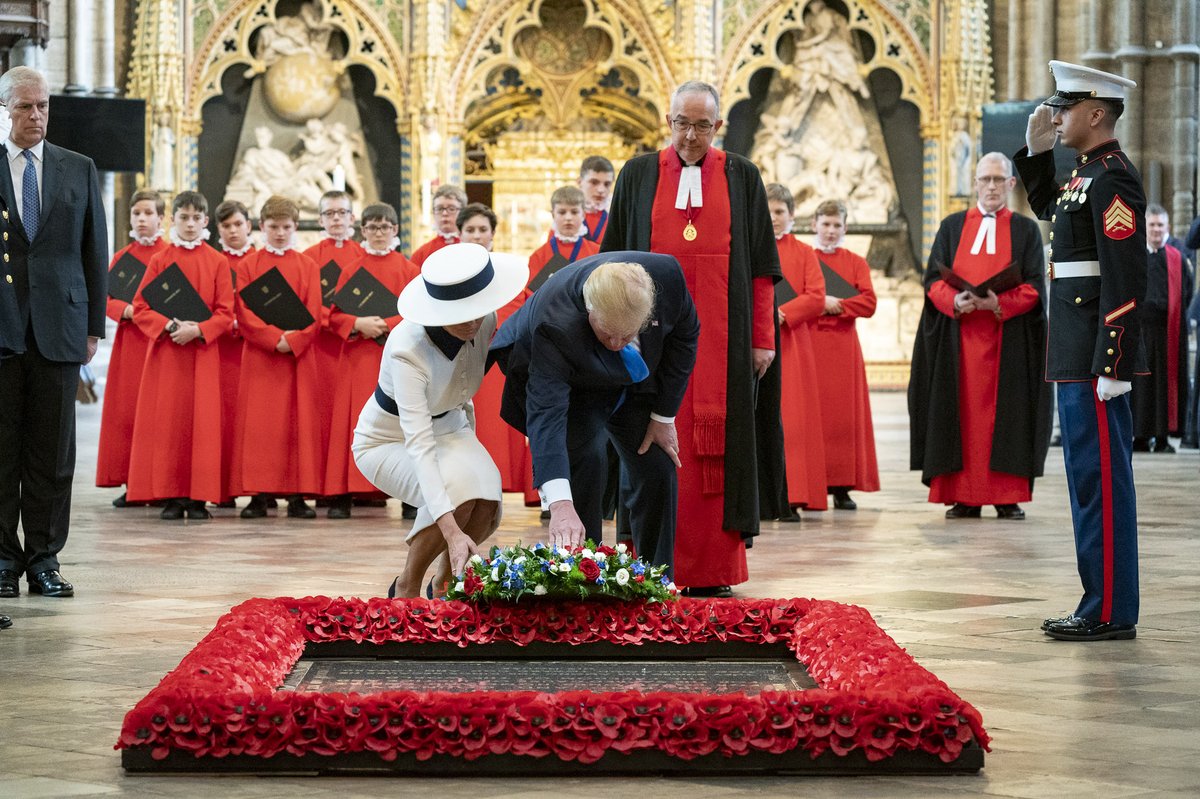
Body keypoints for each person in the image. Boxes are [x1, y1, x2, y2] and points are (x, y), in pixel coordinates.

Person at [600, 80, 779, 596]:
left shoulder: (742, 175)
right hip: (647, 345)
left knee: (716, 453)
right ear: (668, 120)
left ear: (717, 127)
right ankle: (646, 564)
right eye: (683, 123)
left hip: (724, 346)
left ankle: (712, 571)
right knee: (645, 442)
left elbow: (763, 268)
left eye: (703, 125)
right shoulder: (637, 174)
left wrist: (761, 337)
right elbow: (611, 260)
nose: (691, 135)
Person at [1016, 60, 1145, 641]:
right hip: (1074, 351)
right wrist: (1038, 153)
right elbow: (1052, 213)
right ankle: (1098, 601)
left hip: (1095, 355)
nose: (1055, 116)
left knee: (1102, 483)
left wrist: (1113, 362)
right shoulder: (1084, 174)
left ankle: (1110, 609)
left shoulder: (1114, 176)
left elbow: (1125, 276)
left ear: (1096, 114)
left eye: (1065, 109)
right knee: (1085, 480)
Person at [490, 252, 700, 574]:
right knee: (586, 458)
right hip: (576, 380)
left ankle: (659, 580)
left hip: (634, 376)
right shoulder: (555, 323)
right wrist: (559, 504)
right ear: (591, 309)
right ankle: (585, 577)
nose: (615, 342)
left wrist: (663, 417)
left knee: (657, 463)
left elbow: (686, 336)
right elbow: (547, 413)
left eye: (626, 334)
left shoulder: (668, 276)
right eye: (607, 334)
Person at [352, 243, 527, 597]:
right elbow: (418, 441)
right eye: (460, 312)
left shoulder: (483, 319)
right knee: (456, 493)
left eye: (477, 310)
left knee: (487, 501)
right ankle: (407, 584)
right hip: (388, 439)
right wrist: (449, 529)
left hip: (452, 428)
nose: (473, 321)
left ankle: (446, 584)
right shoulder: (406, 348)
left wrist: (473, 456)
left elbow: (463, 396)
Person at [0, 67, 108, 600]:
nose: (35, 115)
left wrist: (92, 327)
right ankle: (2, 559)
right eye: (24, 107)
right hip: (2, 329)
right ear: (5, 110)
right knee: (2, 452)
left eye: (42, 105)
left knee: (53, 455)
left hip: (60, 330)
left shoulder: (77, 167)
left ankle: (44, 558)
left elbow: (94, 252)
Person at [909, 153, 1052, 520]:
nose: (991, 186)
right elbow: (932, 281)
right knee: (961, 421)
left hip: (1008, 345)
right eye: (984, 179)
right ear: (974, 183)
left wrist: (997, 303)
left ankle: (1007, 496)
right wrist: (954, 300)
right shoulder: (952, 226)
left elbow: (1036, 286)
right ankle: (964, 496)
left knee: (1007, 420)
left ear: (1011, 184)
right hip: (959, 346)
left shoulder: (1025, 231)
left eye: (998, 180)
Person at [125, 191, 234, 520]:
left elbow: (226, 313)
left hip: (202, 353)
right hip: (169, 353)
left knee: (202, 425)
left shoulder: (218, 261)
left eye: (196, 218)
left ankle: (199, 498)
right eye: (183, 218)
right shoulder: (160, 260)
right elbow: (142, 307)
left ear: (205, 222)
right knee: (169, 424)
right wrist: (171, 325)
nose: (189, 224)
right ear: (173, 220)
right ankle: (172, 495)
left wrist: (198, 330)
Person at [229, 195, 323, 519]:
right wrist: (273, 339)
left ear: (295, 227)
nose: (280, 233)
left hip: (297, 357)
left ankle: (298, 496)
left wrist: (294, 340)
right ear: (261, 227)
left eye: (286, 227)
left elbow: (315, 313)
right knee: (260, 428)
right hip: (261, 358)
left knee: (298, 427)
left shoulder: (308, 266)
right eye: (273, 227)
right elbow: (243, 311)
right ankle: (259, 494)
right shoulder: (248, 265)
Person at [324, 203, 420, 518]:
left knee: (402, 422)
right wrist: (357, 323)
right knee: (351, 422)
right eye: (372, 228)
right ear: (363, 231)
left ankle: (410, 495)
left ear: (395, 230)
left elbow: (419, 312)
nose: (379, 233)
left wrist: (387, 325)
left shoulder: (408, 270)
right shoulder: (351, 268)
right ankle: (342, 494)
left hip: (395, 357)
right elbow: (335, 314)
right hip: (358, 355)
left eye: (385, 227)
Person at [96, 190, 167, 506]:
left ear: (161, 219)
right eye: (137, 213)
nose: (141, 219)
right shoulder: (122, 257)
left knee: (160, 414)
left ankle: (163, 482)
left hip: (161, 343)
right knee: (129, 412)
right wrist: (124, 310)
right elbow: (105, 298)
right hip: (130, 343)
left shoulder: (171, 254)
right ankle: (133, 484)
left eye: (148, 213)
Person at [808, 199, 879, 510]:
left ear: (845, 228)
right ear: (814, 226)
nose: (831, 231)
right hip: (809, 344)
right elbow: (795, 296)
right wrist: (818, 303)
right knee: (812, 416)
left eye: (837, 225)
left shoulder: (855, 262)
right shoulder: (805, 258)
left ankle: (841, 486)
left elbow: (869, 303)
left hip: (843, 347)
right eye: (825, 224)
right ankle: (811, 484)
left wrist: (834, 304)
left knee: (842, 419)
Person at [765, 183, 828, 514]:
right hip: (759, 342)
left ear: (792, 215)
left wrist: (783, 313)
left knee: (795, 421)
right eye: (770, 211)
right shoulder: (751, 248)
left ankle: (793, 495)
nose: (774, 218)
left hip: (793, 344)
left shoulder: (804, 252)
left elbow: (816, 296)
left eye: (780, 212)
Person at [302, 189, 365, 503]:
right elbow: (309, 304)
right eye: (329, 214)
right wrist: (342, 323)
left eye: (342, 213)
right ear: (320, 219)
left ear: (352, 218)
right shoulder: (309, 257)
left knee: (354, 419)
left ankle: (362, 486)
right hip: (321, 347)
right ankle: (326, 488)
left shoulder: (362, 255)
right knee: (323, 418)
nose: (336, 219)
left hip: (357, 349)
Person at [1131, 204, 1192, 453]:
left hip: (1168, 333)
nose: (1156, 230)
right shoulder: (1134, 256)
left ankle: (1164, 437)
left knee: (1165, 387)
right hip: (1140, 333)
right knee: (1142, 388)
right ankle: (1140, 437)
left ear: (1167, 228)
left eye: (1160, 225)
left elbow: (1185, 294)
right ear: (1145, 227)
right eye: (1152, 225)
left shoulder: (1178, 259)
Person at [214, 199, 255, 506]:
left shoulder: (260, 260)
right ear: (217, 230)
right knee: (223, 422)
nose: (232, 231)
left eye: (238, 224)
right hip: (221, 351)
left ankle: (256, 489)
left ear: (249, 227)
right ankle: (222, 489)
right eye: (226, 226)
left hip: (253, 350)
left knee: (251, 422)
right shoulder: (213, 261)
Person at [410, 185, 467, 265]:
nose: (445, 213)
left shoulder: (470, 248)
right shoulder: (421, 254)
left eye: (451, 209)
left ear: (463, 212)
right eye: (439, 209)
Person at [578, 156, 614, 244]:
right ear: (579, 182)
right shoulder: (564, 217)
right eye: (594, 182)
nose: (601, 190)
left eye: (607, 184)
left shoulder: (616, 218)